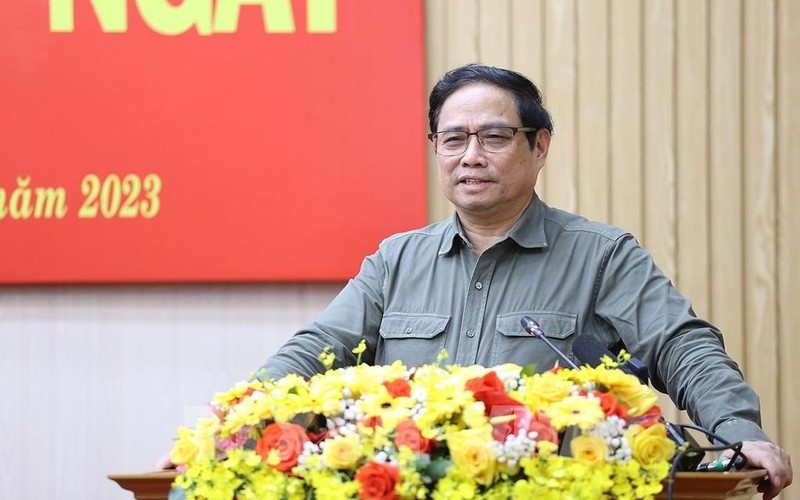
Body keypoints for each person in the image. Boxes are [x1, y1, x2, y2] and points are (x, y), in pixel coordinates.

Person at [162, 64, 793, 498]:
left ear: (539, 146)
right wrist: (224, 432)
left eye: (494, 137)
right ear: (434, 147)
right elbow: (310, 351)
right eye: (453, 138)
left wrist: (742, 433)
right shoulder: (395, 261)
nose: (471, 156)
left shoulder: (603, 256)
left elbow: (684, 348)